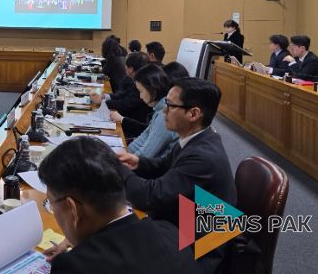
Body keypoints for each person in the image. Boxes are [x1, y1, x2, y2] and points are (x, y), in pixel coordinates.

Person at [0, 137, 199, 274]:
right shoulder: (171, 233)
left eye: (51, 203)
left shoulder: (76, 266)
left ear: (72, 209)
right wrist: (78, 240)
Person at [118, 77, 236, 273]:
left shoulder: (203, 157)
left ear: (193, 114)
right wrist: (137, 162)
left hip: (198, 250)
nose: (164, 111)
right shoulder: (197, 137)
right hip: (184, 223)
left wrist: (116, 167)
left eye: (170, 106)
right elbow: (163, 166)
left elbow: (149, 197)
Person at [115, 64, 178, 158]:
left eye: (141, 91)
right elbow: (142, 138)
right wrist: (125, 153)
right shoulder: (158, 109)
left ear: (153, 89)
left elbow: (145, 154)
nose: (140, 96)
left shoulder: (164, 115)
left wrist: (122, 159)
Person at [99, 52, 150, 127]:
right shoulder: (135, 79)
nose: (124, 67)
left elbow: (125, 104)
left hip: (132, 123)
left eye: (126, 65)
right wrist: (104, 97)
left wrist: (103, 102)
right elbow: (123, 94)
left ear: (131, 69)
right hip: (125, 117)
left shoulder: (143, 84)